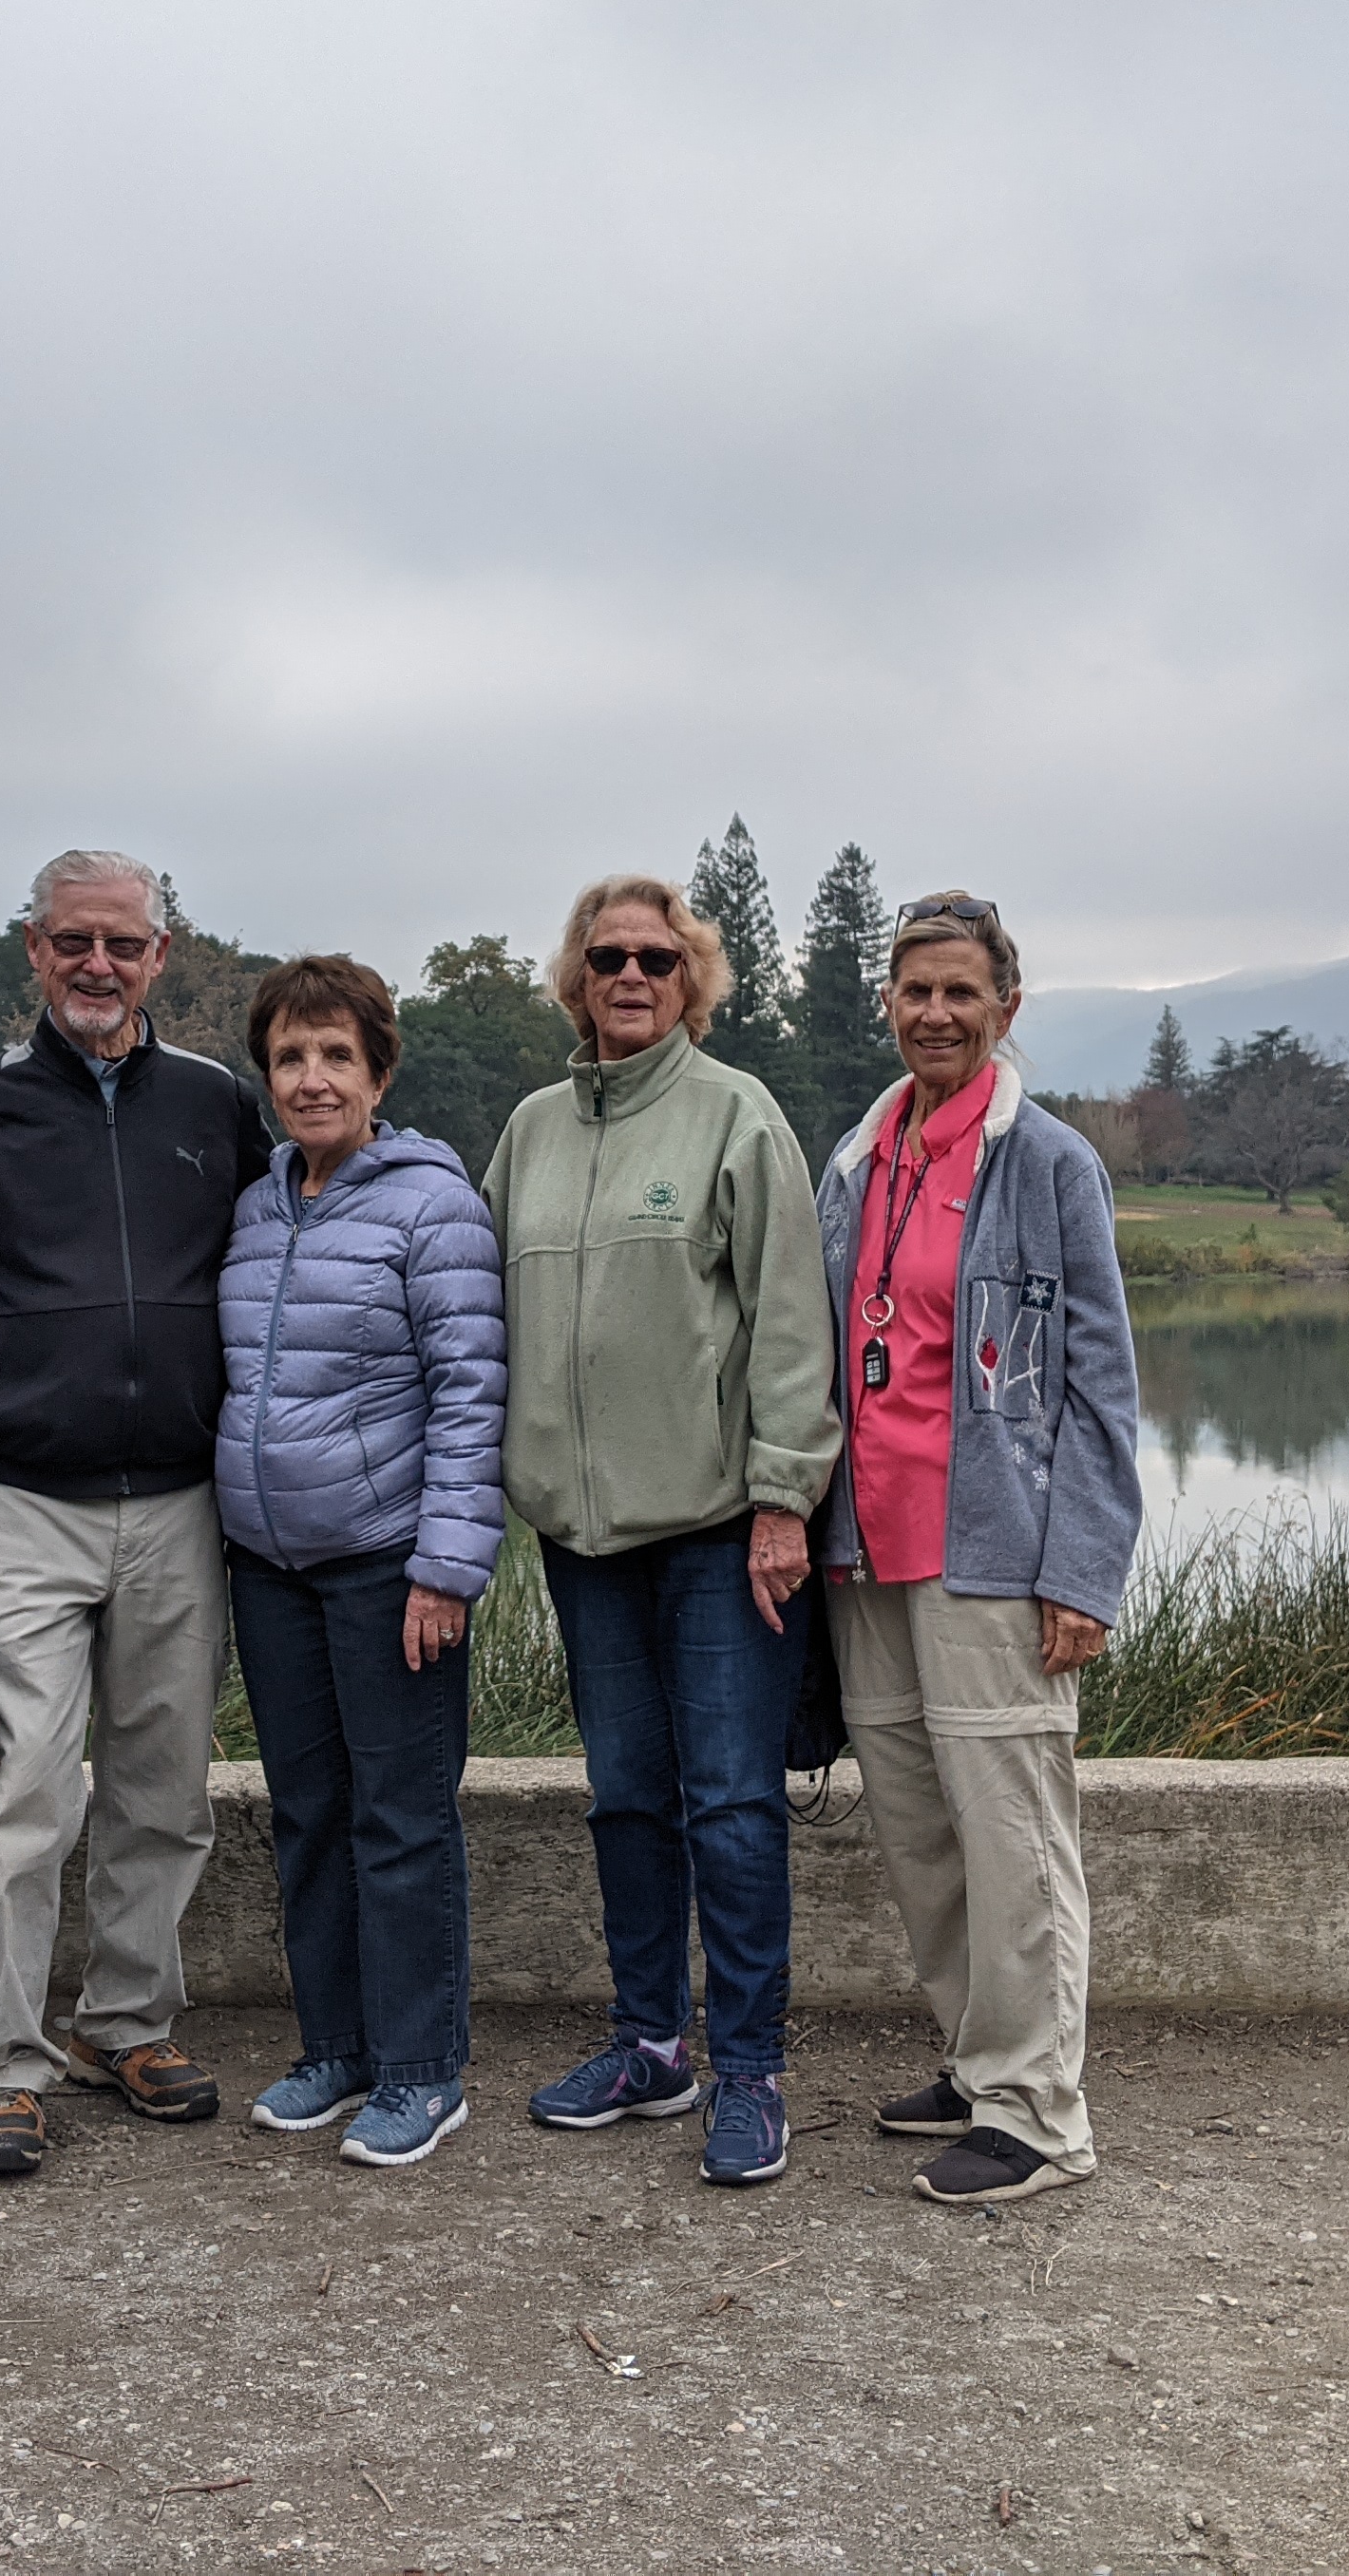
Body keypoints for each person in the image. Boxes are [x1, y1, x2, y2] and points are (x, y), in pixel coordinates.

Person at [0, 848, 275, 2180]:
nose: (97, 966)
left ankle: (127, 2023)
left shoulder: (217, 1105)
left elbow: (281, 1266)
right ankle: (4, 2062)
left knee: (165, 1790)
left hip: (179, 1501)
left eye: (122, 944)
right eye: (72, 944)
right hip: (27, 1506)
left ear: (161, 956)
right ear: (34, 951)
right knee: (23, 1795)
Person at [482, 872, 842, 2189]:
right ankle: (651, 2044)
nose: (630, 976)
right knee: (627, 1801)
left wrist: (781, 1504)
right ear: (574, 980)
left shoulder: (737, 1118)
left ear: (691, 980)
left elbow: (793, 1332)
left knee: (734, 1808)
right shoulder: (526, 1132)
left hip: (715, 1535)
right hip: (583, 1543)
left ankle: (749, 2071)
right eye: (607, 957)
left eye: (657, 958)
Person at [812, 891, 1140, 2208]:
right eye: (914, 990)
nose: (935, 1013)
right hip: (870, 1553)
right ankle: (978, 2056)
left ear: (1007, 1006)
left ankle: (1040, 2113)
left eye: (961, 991)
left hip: (995, 1553)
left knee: (1014, 1837)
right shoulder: (859, 1154)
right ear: (887, 1004)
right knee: (918, 1830)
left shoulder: (1051, 1162)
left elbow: (1101, 1385)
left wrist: (1082, 1570)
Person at [217, 956, 506, 2170]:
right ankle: (333, 2046)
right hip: (269, 1569)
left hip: (389, 1564)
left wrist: (446, 1566)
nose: (313, 1077)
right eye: (291, 1056)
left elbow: (470, 1391)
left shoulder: (431, 1205)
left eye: (338, 1055)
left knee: (399, 1821)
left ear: (380, 1071)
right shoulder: (257, 1204)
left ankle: (422, 2066)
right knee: (309, 1814)